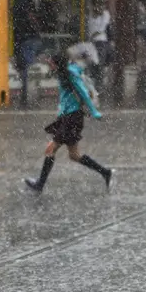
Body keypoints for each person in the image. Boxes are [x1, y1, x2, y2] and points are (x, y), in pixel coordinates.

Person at [24, 53, 113, 193]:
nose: (50, 64)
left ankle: (40, 185)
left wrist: (94, 111)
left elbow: (83, 93)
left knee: (50, 150)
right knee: (74, 155)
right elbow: (67, 95)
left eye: (51, 62)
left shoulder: (69, 74)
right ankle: (105, 172)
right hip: (68, 117)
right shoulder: (63, 73)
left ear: (57, 64)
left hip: (73, 118)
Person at [12, 0, 42, 107]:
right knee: (30, 70)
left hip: (25, 39)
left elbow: (18, 23)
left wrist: (16, 46)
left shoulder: (19, 0)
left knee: (26, 71)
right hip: (33, 38)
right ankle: (32, 98)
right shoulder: (29, 0)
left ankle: (27, 99)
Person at [87, 0, 112, 91]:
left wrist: (93, 35)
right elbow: (89, 28)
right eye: (94, 5)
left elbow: (102, 28)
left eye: (98, 4)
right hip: (91, 43)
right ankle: (93, 84)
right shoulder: (89, 15)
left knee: (99, 63)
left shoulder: (105, 14)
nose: (96, 7)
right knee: (91, 64)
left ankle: (99, 85)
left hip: (100, 41)